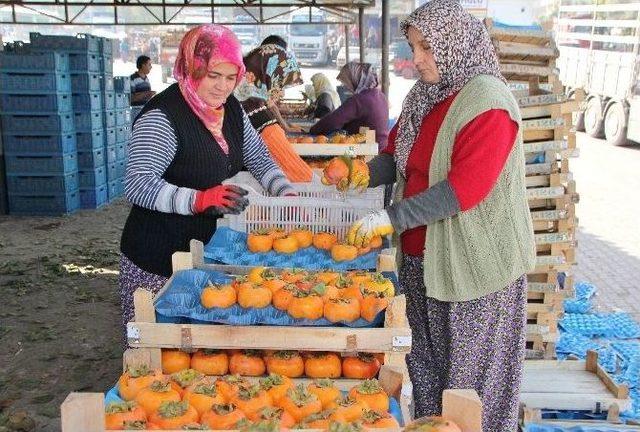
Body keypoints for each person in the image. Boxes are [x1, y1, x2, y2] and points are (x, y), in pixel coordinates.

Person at [322, 1, 535, 430]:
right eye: (413, 47)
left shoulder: (487, 103)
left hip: (476, 270)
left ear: (454, 45)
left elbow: (464, 190)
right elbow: (398, 158)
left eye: (426, 48)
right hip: (422, 263)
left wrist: (390, 219)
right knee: (428, 375)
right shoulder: (425, 96)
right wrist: (361, 172)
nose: (416, 59)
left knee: (470, 390)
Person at [119, 25, 296, 341]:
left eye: (231, 78)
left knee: (198, 353)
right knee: (158, 352)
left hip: (202, 254)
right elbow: (138, 184)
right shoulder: (163, 116)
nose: (222, 87)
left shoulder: (230, 111)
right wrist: (198, 200)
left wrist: (286, 192)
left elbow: (259, 157)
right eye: (214, 75)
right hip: (156, 258)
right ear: (192, 67)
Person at [234, 42, 314, 182]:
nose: (281, 92)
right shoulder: (257, 114)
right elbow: (298, 176)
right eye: (280, 82)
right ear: (269, 74)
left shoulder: (239, 96)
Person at [310, 62, 388, 151]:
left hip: (369, 152)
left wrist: (313, 130)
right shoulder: (380, 95)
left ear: (355, 79)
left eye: (347, 82)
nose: (345, 86)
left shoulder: (360, 100)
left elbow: (333, 121)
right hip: (381, 146)